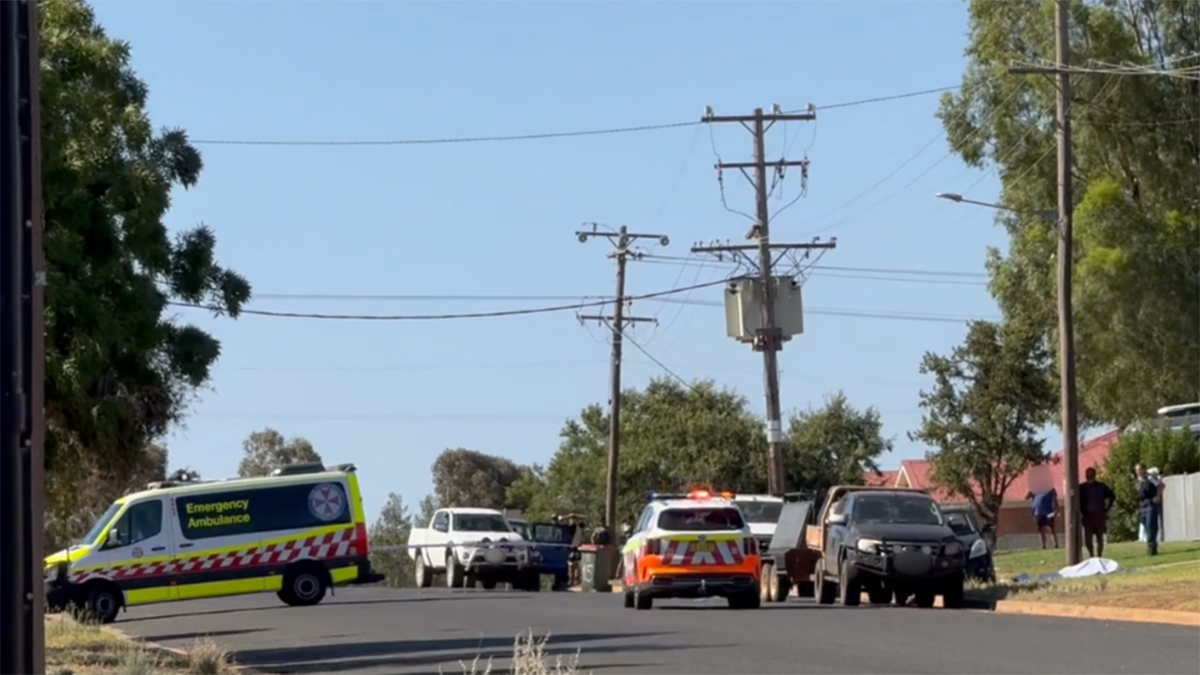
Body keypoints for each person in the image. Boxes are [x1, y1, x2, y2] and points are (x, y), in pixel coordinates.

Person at [1078, 467, 1115, 558]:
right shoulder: (1082, 488)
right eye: (1088, 474)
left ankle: (1099, 555)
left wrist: (1106, 509)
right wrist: (1081, 511)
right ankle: (1091, 555)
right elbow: (1076, 500)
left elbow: (1112, 496)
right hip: (1088, 516)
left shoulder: (1101, 487)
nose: (1090, 475)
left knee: (1100, 537)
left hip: (1099, 516)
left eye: (1091, 474)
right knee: (1088, 539)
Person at [1135, 463, 1161, 556]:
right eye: (1137, 470)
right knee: (1145, 525)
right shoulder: (1138, 481)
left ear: (1144, 469)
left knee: (1151, 525)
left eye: (1139, 469)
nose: (1138, 472)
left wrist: (1157, 496)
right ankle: (1151, 544)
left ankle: (1152, 548)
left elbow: (1161, 485)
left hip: (1150, 504)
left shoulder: (1150, 478)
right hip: (1142, 505)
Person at [1025, 485, 1059, 549]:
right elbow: (1026, 497)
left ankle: (1055, 545)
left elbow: (1055, 499)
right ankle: (1043, 546)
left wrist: (1056, 509)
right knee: (1040, 530)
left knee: (1051, 529)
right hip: (1037, 512)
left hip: (1049, 512)